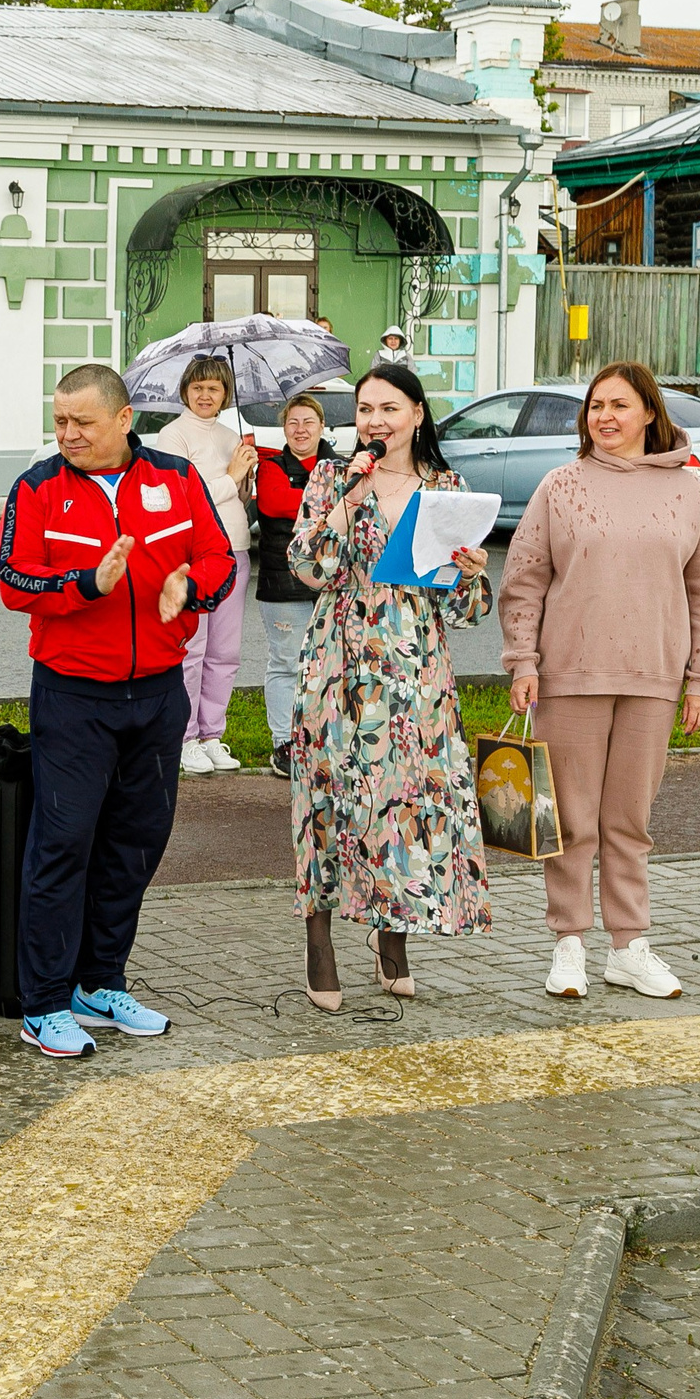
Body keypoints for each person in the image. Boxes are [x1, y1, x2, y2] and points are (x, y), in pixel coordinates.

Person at [0, 362, 236, 1059]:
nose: (67, 434)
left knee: (136, 844)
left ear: (124, 419)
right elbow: (14, 578)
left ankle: (98, 983)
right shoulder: (38, 487)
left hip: (159, 694)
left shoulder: (176, 478)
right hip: (74, 695)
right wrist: (85, 583)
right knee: (62, 846)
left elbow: (218, 556)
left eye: (83, 422)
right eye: (60, 421)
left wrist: (189, 588)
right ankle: (42, 1003)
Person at [499, 361, 700, 1002]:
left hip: (655, 679)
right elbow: (525, 579)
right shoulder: (560, 486)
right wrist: (523, 660)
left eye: (620, 405)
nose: (605, 416)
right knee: (568, 820)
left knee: (629, 820)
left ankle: (628, 947)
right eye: (596, 406)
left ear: (649, 414)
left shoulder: (687, 492)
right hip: (567, 676)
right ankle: (568, 943)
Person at [286, 366, 492, 1009]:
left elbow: (467, 608)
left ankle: (393, 932)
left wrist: (471, 574)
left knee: (404, 803)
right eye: (365, 408)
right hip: (339, 663)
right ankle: (319, 940)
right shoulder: (329, 477)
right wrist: (347, 500)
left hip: (415, 671)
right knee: (331, 798)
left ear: (418, 415)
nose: (375, 420)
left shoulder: (448, 490)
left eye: (389, 407)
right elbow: (305, 567)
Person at [152, 353, 257, 775]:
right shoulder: (172, 437)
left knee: (225, 652)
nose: (205, 396)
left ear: (225, 394)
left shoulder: (233, 436)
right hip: (193, 554)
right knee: (191, 650)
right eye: (197, 388)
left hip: (236, 550)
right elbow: (182, 501)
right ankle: (185, 737)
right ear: (185, 392)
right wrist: (232, 476)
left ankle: (212, 733)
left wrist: (248, 477)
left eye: (214, 388)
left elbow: (239, 503)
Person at [252, 392, 341, 777]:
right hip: (282, 586)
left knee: (330, 667)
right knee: (287, 664)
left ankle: (321, 740)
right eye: (292, 423)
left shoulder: (340, 465)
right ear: (283, 428)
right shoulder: (271, 466)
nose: (300, 429)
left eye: (308, 422)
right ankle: (283, 744)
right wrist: (332, 503)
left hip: (331, 583)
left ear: (322, 427)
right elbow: (273, 503)